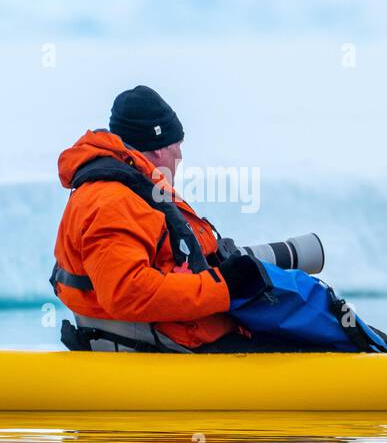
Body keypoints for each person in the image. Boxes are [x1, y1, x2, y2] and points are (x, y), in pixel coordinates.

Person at [52, 85, 270, 352]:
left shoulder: (138, 190)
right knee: (291, 339)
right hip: (170, 339)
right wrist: (223, 287)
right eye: (177, 145)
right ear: (157, 149)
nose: (180, 155)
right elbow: (126, 292)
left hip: (171, 328)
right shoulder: (114, 201)